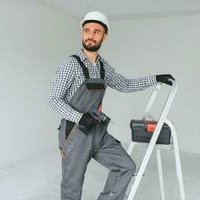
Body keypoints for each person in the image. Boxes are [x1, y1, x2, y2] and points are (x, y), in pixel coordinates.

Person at [48, 11, 174, 200]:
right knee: (71, 187)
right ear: (82, 33)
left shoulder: (104, 67)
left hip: (98, 133)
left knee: (126, 167)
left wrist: (154, 79)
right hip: (74, 135)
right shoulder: (70, 64)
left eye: (96, 31)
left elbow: (125, 84)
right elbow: (54, 99)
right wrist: (80, 117)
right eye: (86, 30)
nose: (90, 35)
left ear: (104, 36)